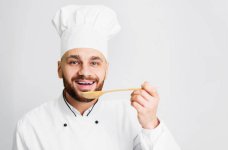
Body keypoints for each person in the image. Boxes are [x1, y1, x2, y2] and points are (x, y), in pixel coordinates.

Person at [12, 5, 180, 150]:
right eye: (73, 62)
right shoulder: (31, 126)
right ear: (59, 69)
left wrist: (151, 124)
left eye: (94, 63)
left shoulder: (131, 117)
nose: (85, 72)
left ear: (106, 70)